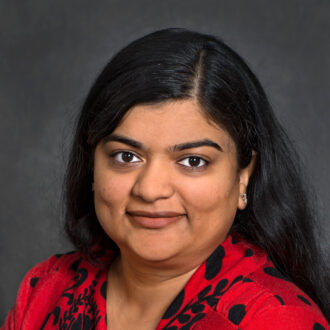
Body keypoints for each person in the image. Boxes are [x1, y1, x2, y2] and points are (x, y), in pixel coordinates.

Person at [3, 28, 330, 329]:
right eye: (126, 156)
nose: (150, 189)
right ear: (92, 163)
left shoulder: (276, 321)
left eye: (193, 161)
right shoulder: (47, 289)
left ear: (244, 176)